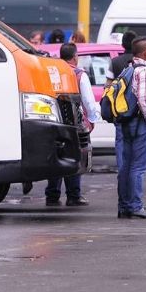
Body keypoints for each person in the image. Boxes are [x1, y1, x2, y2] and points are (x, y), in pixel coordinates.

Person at [45, 43, 100, 207]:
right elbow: (89, 102)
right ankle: (73, 195)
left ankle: (52, 195)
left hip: (54, 120)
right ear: (75, 56)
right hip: (75, 123)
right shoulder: (79, 75)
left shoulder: (52, 72)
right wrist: (91, 120)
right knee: (76, 157)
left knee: (56, 157)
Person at [118, 36, 146, 219]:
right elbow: (144, 99)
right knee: (139, 167)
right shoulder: (144, 71)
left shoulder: (127, 69)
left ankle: (124, 206)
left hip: (127, 122)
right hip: (142, 124)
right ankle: (136, 205)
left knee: (127, 166)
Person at [106, 30, 137, 215]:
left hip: (120, 111)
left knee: (121, 145)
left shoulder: (115, 62)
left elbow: (108, 86)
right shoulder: (138, 62)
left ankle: (122, 171)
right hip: (136, 113)